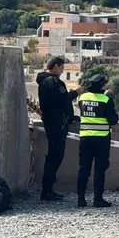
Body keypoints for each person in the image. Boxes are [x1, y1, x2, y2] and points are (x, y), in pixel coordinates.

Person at [37, 57, 83, 201]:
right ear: (56, 67)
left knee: (54, 155)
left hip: (55, 122)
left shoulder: (45, 81)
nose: (63, 71)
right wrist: (76, 92)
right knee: (55, 156)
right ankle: (47, 190)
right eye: (62, 68)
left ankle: (48, 189)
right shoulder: (53, 82)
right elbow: (63, 99)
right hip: (56, 123)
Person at [76, 73, 119, 208]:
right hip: (101, 139)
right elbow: (113, 120)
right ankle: (97, 199)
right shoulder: (106, 100)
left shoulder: (82, 98)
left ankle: (81, 199)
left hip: (85, 138)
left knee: (84, 168)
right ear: (103, 86)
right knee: (100, 169)